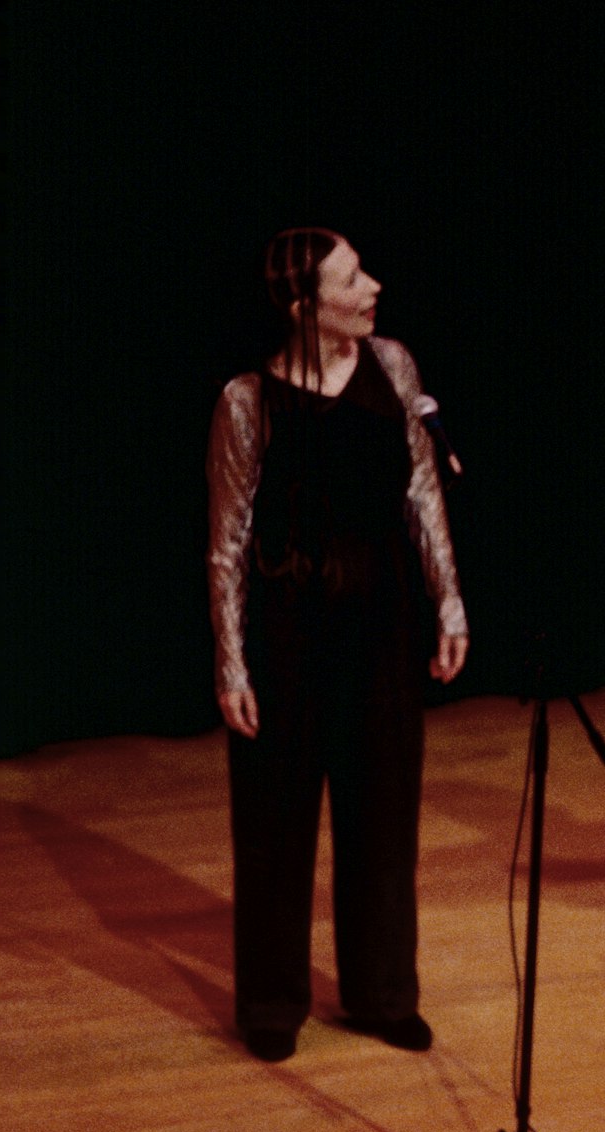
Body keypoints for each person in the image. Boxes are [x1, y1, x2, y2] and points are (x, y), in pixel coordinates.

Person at [207, 227, 469, 1063]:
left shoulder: (393, 366)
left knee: (383, 814)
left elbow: (423, 490)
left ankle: (383, 992)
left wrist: (449, 602)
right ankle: (271, 1002)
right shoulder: (248, 400)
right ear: (304, 306)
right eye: (352, 280)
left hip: (381, 617)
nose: (373, 288)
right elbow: (226, 541)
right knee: (276, 823)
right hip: (288, 623)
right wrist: (231, 659)